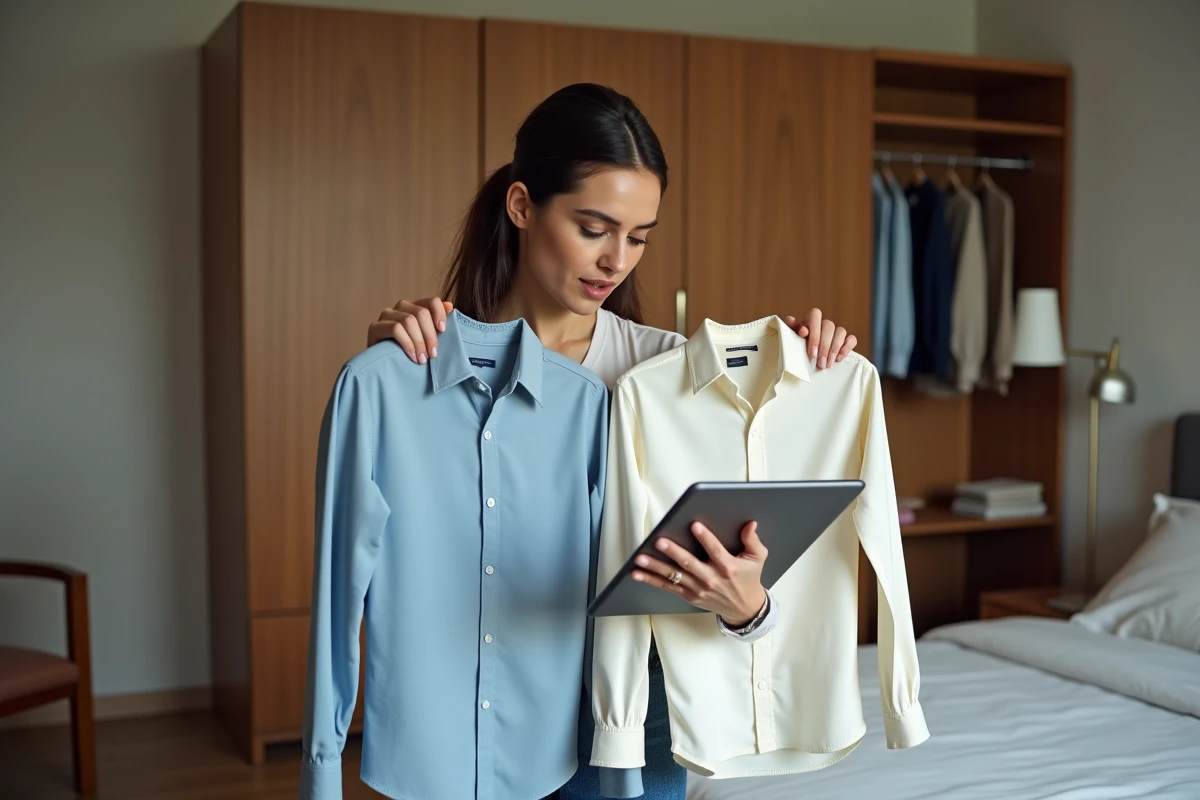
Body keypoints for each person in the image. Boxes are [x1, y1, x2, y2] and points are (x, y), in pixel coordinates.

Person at [367, 83, 859, 799]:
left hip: (637, 714)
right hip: (477, 695)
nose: (616, 261)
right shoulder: (432, 359)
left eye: (638, 237)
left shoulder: (673, 374)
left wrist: (747, 605)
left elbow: (750, 580)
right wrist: (395, 375)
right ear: (523, 207)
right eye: (594, 228)